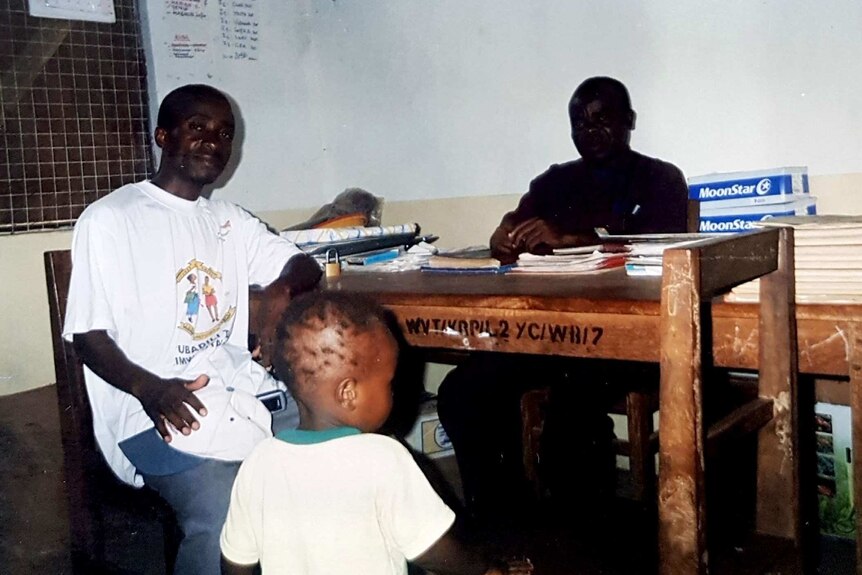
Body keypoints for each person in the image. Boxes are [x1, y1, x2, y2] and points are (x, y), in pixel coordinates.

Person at [63, 84, 322, 574]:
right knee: (228, 510)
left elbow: (302, 264)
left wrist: (277, 295)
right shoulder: (111, 218)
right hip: (153, 408)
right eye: (196, 127)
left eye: (224, 133)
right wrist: (150, 389)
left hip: (238, 394)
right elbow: (88, 336)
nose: (212, 141)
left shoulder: (227, 219)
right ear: (163, 135)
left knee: (338, 456)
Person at [437, 76, 689, 522]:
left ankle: (583, 542)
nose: (589, 130)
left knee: (570, 418)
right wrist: (505, 232)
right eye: (578, 122)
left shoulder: (660, 178)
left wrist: (575, 239)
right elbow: (515, 220)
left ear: (629, 121)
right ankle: (502, 526)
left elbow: (662, 249)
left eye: (601, 118)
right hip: (550, 334)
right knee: (462, 391)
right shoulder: (552, 181)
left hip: (626, 338)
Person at [219, 291, 534, 575]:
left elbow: (235, 564)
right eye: (388, 383)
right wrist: (487, 569)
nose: (394, 394)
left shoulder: (260, 461)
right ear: (349, 394)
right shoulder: (382, 457)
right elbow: (438, 554)